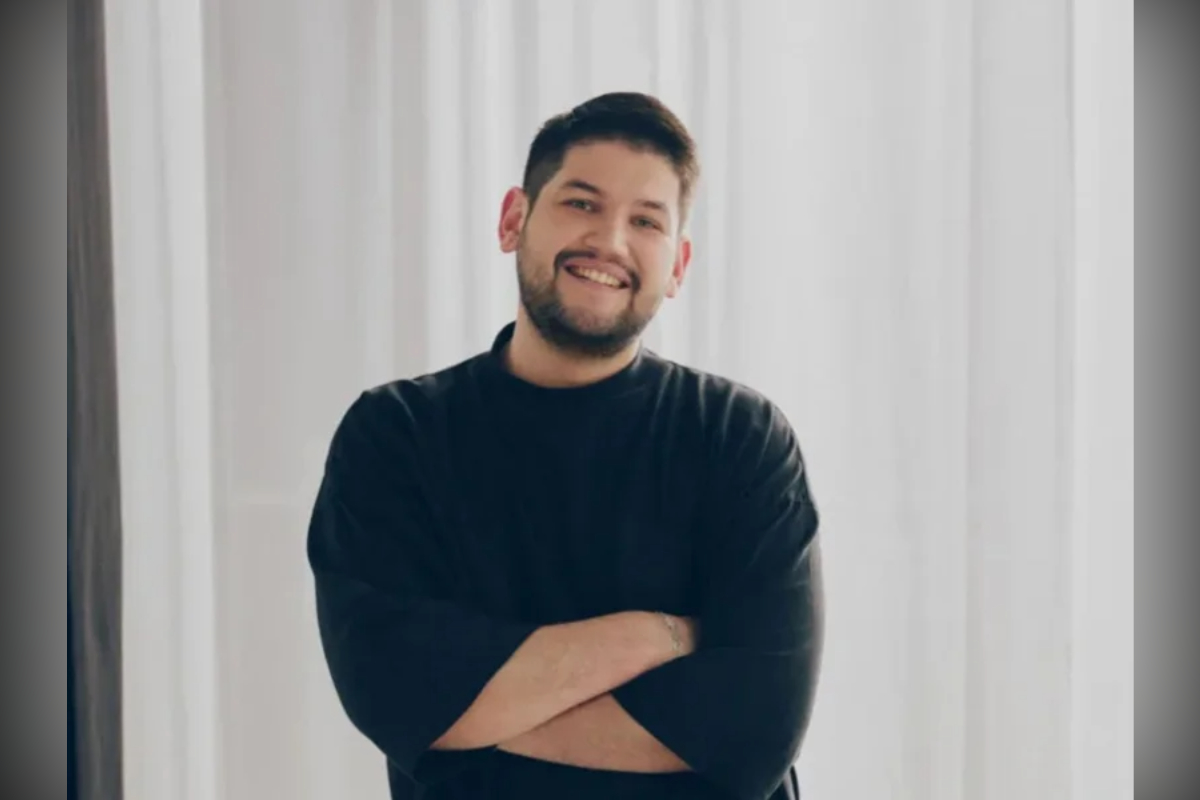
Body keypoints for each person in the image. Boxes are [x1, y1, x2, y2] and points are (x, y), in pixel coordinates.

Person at [307, 91, 824, 800]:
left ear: (678, 265)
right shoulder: (395, 435)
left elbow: (754, 731)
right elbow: (388, 688)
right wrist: (661, 638)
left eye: (646, 221)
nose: (609, 241)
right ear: (513, 220)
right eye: (581, 203)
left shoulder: (742, 438)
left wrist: (467, 713)